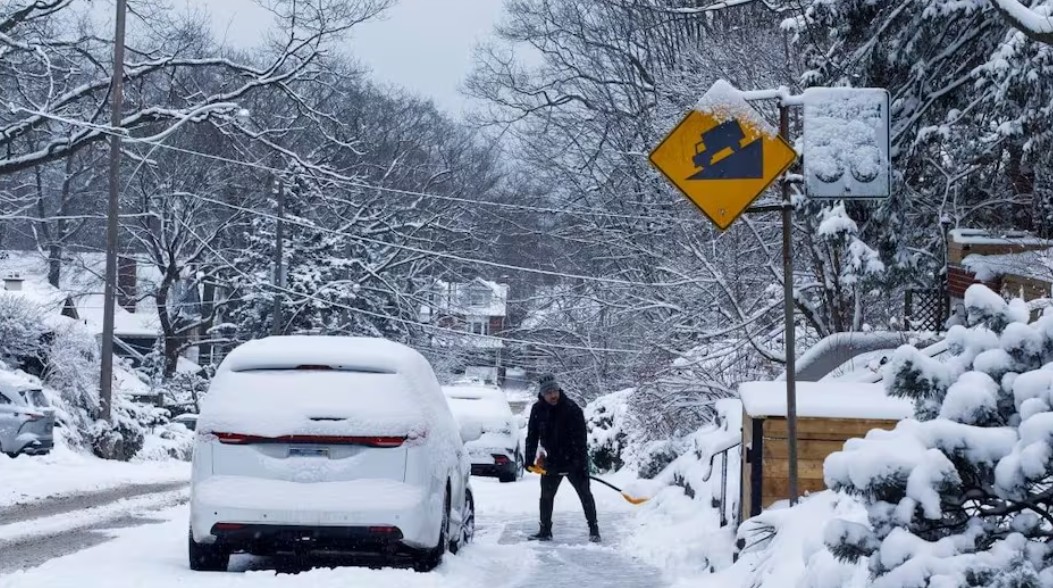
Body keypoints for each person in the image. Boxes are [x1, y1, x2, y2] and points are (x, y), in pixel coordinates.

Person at [524, 373, 600, 543]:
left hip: (575, 460)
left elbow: (580, 440)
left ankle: (594, 529)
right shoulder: (537, 410)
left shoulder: (572, 409)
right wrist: (529, 459)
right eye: (548, 392)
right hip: (552, 460)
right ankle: (545, 530)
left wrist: (576, 463)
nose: (553, 395)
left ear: (559, 390)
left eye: (555, 391)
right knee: (546, 496)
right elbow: (532, 436)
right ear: (542, 394)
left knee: (585, 494)